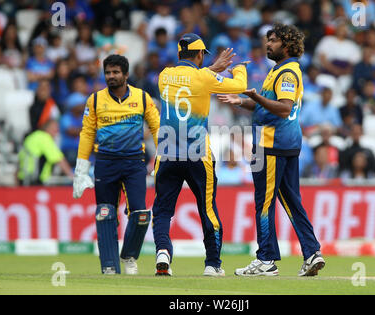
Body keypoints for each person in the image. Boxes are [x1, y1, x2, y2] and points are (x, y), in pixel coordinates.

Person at [218, 23, 324, 277]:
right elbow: (268, 106)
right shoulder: (279, 71)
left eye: (274, 40)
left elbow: (284, 107)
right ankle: (312, 253)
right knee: (291, 201)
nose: (268, 44)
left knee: (263, 204)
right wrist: (242, 101)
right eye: (268, 40)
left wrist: (254, 97)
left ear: (286, 45)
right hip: (284, 144)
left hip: (271, 145)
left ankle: (266, 260)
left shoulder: (286, 73)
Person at [153, 33, 248, 277]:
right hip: (198, 155)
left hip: (166, 154)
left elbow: (193, 76)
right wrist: (237, 69)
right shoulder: (205, 77)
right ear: (199, 55)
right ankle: (212, 264)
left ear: (178, 54)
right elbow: (238, 87)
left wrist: (213, 68)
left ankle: (163, 251)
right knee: (208, 209)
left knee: (163, 210)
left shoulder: (164, 76)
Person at [72, 54, 160, 275]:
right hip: (106, 163)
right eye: (108, 73)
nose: (111, 76)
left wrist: (162, 158)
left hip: (134, 163)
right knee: (105, 213)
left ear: (126, 75)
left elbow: (158, 128)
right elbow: (87, 133)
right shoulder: (94, 100)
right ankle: (109, 266)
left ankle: (129, 256)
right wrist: (81, 168)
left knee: (140, 215)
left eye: (115, 72)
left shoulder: (142, 98)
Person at [17, 119, 73, 186]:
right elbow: (59, 159)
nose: (57, 133)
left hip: (23, 178)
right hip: (35, 180)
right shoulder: (44, 138)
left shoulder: (33, 136)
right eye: (55, 130)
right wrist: (72, 177)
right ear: (48, 128)